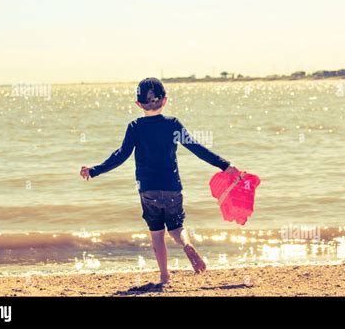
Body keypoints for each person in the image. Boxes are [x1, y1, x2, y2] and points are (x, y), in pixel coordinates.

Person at [80, 77, 237, 284]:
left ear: (138, 104)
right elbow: (196, 148)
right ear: (165, 100)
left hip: (148, 190)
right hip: (172, 187)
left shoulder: (135, 126)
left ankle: (164, 276)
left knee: (157, 234)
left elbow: (120, 155)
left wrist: (94, 170)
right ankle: (186, 245)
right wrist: (225, 165)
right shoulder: (172, 124)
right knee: (177, 228)